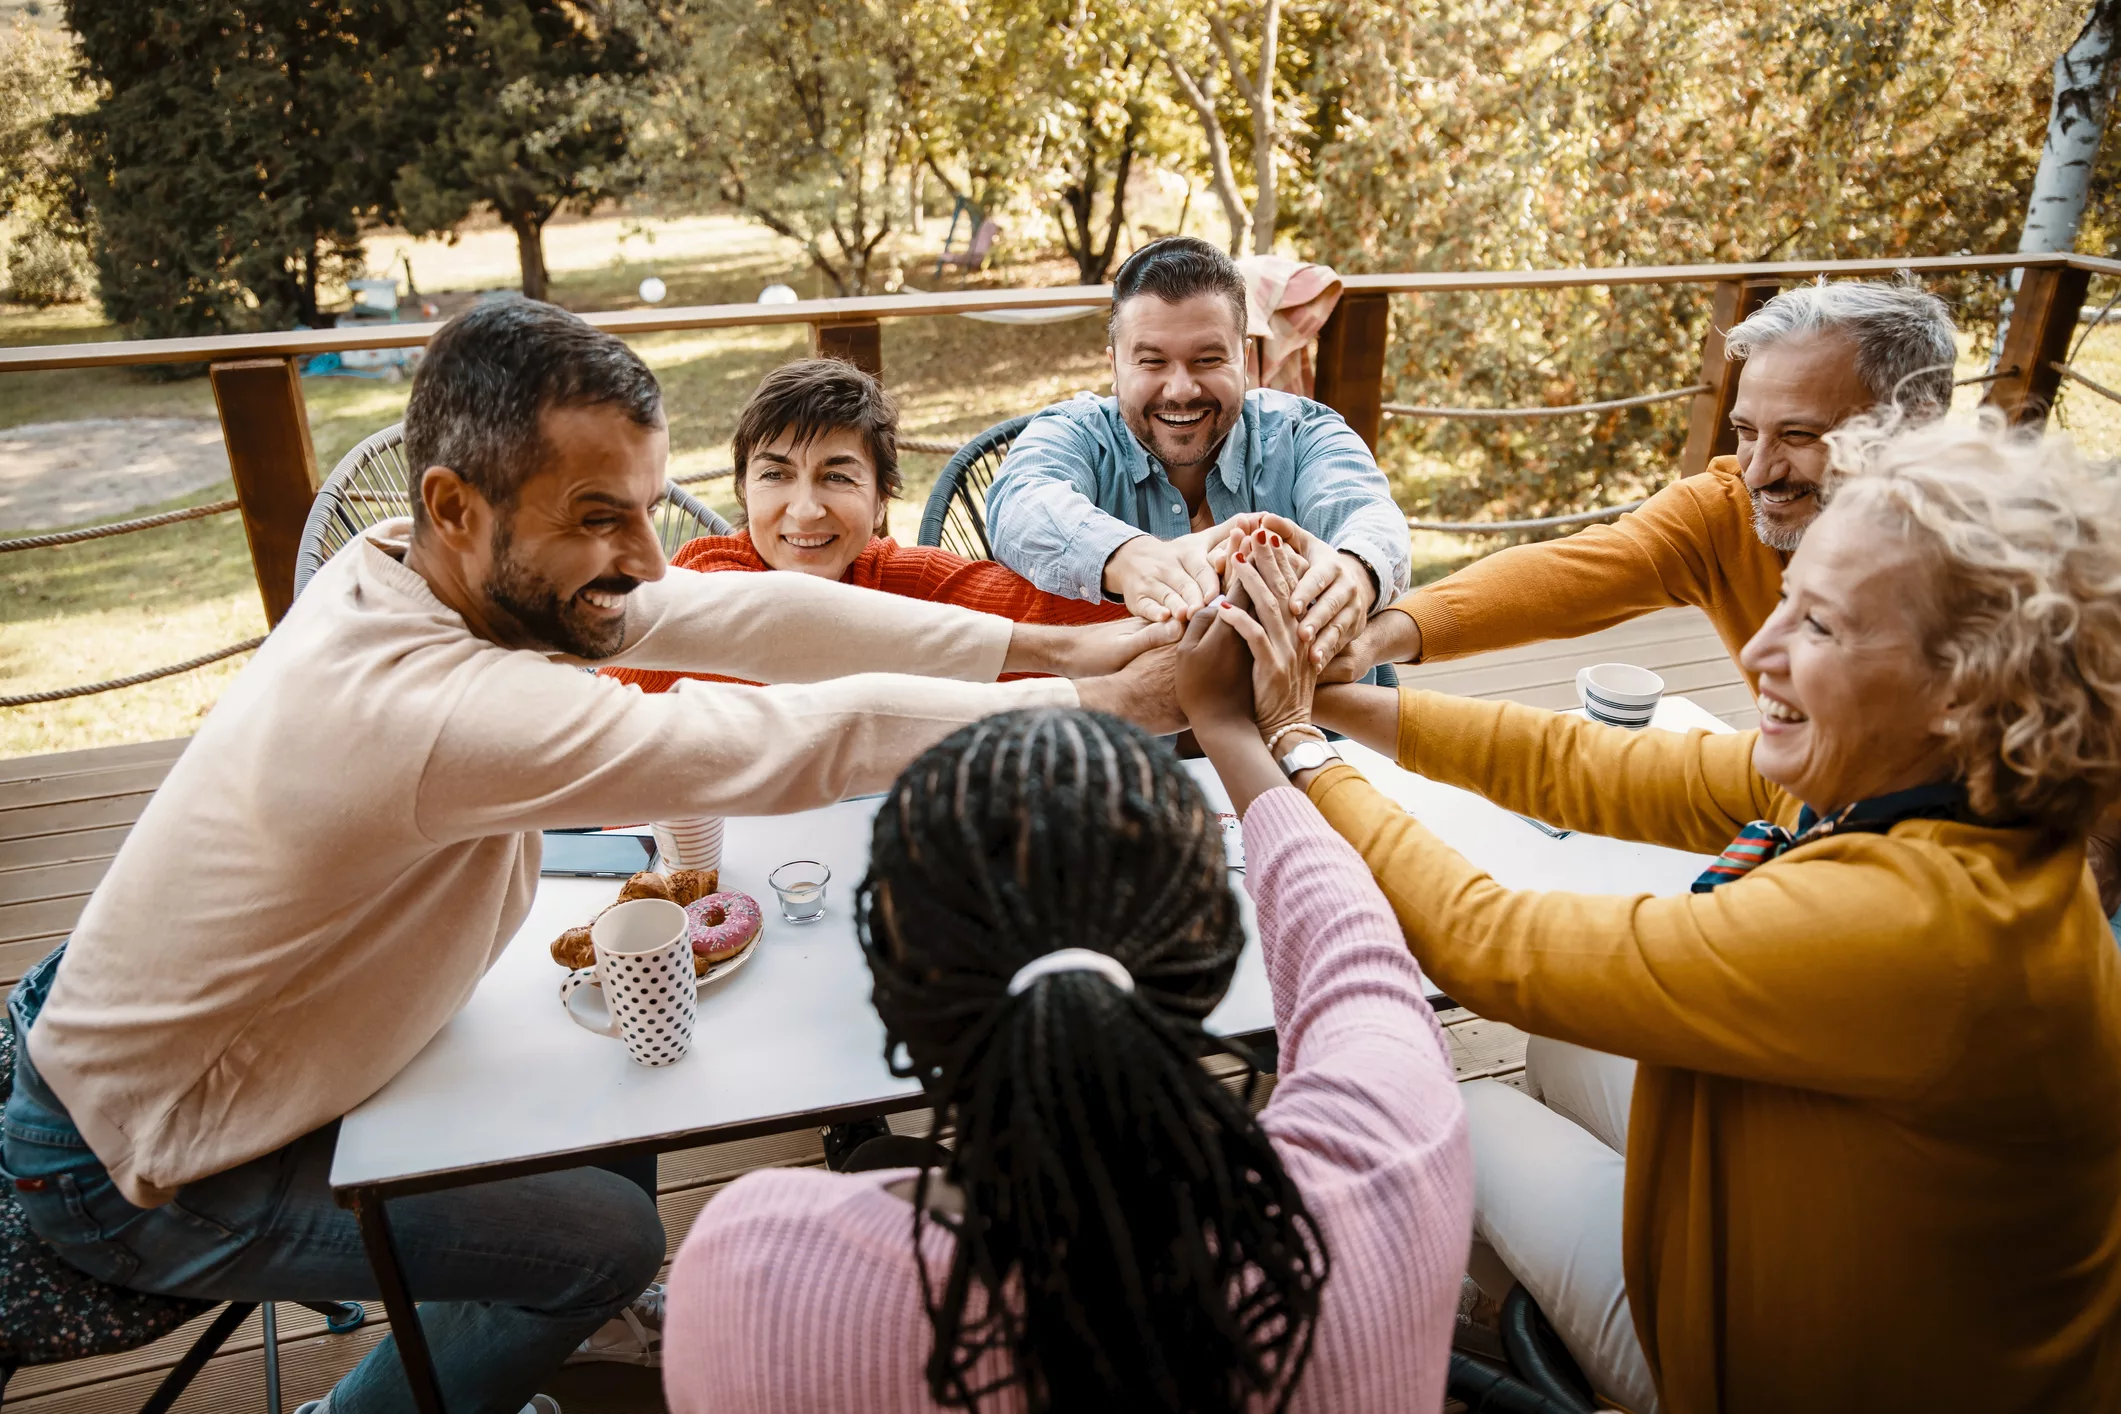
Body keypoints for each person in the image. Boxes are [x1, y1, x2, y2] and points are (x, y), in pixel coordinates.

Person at [0, 298, 1183, 1414]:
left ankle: (538, 1318)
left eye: (649, 507)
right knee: (611, 1241)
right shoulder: (432, 705)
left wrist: (1051, 646)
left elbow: (752, 617)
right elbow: (780, 736)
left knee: (606, 1082)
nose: (650, 561)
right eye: (599, 518)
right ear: (455, 504)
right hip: (140, 1162)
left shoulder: (413, 564)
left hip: (224, 1039)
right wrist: (1098, 709)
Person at [1250, 412, 2121, 1412]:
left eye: (1822, 625)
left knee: (1464, 1105)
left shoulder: (1924, 925)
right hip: (1845, 1235)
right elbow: (1592, 765)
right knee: (1565, 1051)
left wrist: (1295, 746)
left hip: (1809, 1371)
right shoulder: (1926, 778)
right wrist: (1337, 699)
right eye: (1787, 601)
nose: (1761, 649)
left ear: (1963, 692)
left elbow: (1491, 945)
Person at [661, 638, 1474, 1413]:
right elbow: (1351, 938)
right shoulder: (1395, 1154)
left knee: (879, 1159)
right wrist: (1232, 728)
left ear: (900, 999)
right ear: (1212, 954)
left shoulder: (753, 1269)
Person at [1324, 275, 1959, 689]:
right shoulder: (1727, 510)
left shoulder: (1998, 581)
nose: (1760, 472)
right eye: (1744, 432)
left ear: (1912, 430)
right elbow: (1572, 573)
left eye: (1799, 436)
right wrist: (1378, 638)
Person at [982, 235, 1410, 670]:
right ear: (1114, 368)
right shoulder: (1072, 432)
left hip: (1323, 731)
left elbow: (1370, 516)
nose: (1181, 390)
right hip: (1120, 735)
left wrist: (1356, 573)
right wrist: (1132, 560)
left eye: (1207, 360)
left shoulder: (1305, 432)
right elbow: (1018, 500)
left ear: (1244, 360)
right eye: (1152, 362)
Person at [603, 358, 1126, 697]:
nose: (805, 509)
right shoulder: (707, 575)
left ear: (881, 500)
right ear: (743, 489)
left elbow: (1053, 613)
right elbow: (781, 624)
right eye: (776, 475)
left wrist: (1183, 572)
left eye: (837, 476)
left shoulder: (910, 581)